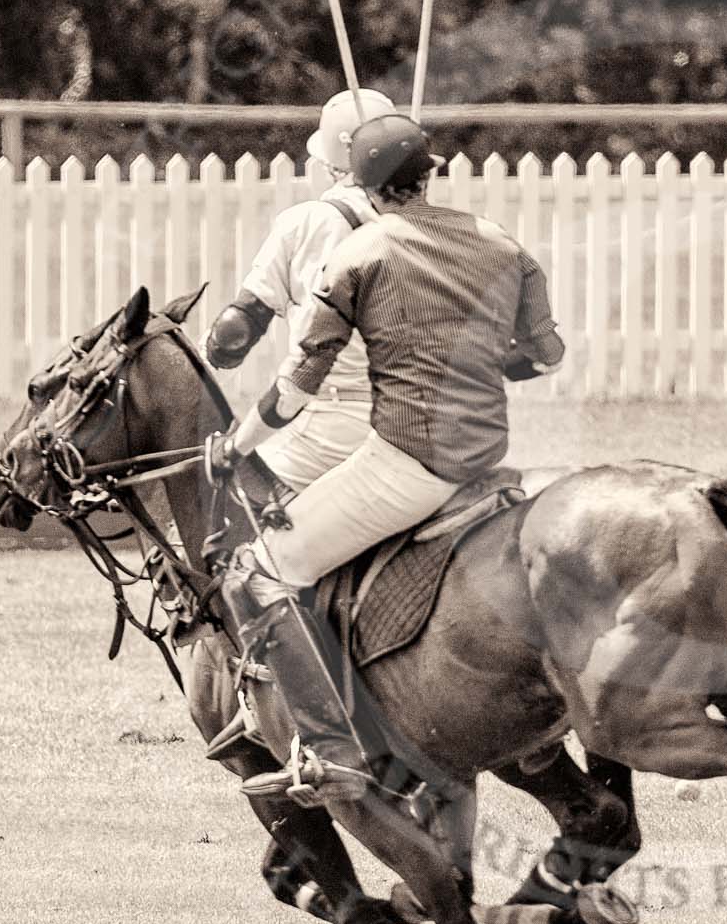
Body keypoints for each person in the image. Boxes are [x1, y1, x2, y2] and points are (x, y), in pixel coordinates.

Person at [205, 113, 566, 807]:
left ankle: (327, 749)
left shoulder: (358, 254)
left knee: (259, 570)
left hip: (407, 461)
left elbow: (295, 385)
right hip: (488, 454)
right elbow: (546, 355)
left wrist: (234, 445)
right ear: (429, 174)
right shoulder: (499, 242)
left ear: (361, 184)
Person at [203, 88, 398, 491]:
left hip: (332, 423)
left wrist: (213, 352)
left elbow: (237, 330)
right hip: (414, 422)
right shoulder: (423, 225)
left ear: (332, 164)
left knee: (229, 500)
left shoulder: (306, 222)